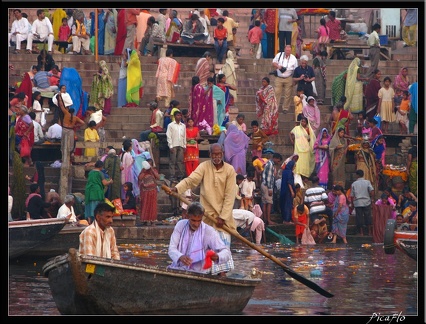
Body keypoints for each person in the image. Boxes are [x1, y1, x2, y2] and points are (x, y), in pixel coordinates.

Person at [168, 143, 236, 275]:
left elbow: (230, 196)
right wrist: (177, 189)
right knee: (203, 256)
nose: (216, 157)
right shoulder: (204, 167)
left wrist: (222, 217)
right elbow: (191, 180)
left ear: (222, 154)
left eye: (219, 154)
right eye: (214, 155)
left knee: (222, 258)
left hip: (223, 220)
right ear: (210, 155)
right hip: (205, 218)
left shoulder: (230, 170)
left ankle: (223, 281)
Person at [168, 201, 233, 274]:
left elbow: (227, 252)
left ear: (202, 217)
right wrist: (180, 256)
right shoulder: (180, 225)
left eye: (199, 221)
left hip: (199, 273)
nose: (196, 224)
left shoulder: (209, 231)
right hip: (178, 269)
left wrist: (217, 256)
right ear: (187, 216)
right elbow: (171, 249)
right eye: (193, 220)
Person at [85, 160, 113, 224]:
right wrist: (110, 181)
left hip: (89, 190)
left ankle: (89, 221)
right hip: (97, 191)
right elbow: (104, 183)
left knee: (90, 205)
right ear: (101, 167)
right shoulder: (100, 173)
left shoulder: (91, 172)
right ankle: (96, 222)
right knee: (96, 206)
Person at [272, 45, 298, 112]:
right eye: (286, 50)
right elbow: (273, 62)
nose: (287, 52)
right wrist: (278, 66)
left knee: (288, 94)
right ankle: (275, 108)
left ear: (291, 51)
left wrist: (294, 79)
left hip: (288, 77)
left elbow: (296, 69)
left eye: (289, 51)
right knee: (277, 93)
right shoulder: (279, 55)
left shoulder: (293, 58)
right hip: (279, 77)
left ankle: (285, 108)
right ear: (284, 50)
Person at [350, 169, 374, 236]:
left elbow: (352, 195)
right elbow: (372, 191)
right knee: (368, 216)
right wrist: (372, 199)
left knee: (359, 217)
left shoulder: (354, 184)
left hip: (358, 202)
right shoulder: (367, 182)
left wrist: (352, 204)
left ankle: (361, 232)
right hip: (367, 201)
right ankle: (369, 232)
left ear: (357, 175)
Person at [166, 110, 186, 181]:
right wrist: (170, 146)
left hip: (181, 145)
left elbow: (184, 136)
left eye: (180, 115)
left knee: (180, 161)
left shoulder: (183, 126)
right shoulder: (170, 125)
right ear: (174, 116)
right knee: (172, 161)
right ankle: (172, 175)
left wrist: (184, 145)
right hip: (173, 145)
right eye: (177, 115)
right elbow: (168, 136)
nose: (179, 117)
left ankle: (181, 175)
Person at [280, 160, 296, 224]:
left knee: (284, 205)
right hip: (288, 191)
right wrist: (292, 191)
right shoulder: (290, 172)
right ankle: (287, 220)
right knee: (288, 205)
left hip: (283, 190)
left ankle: (284, 219)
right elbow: (289, 182)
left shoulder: (284, 172)